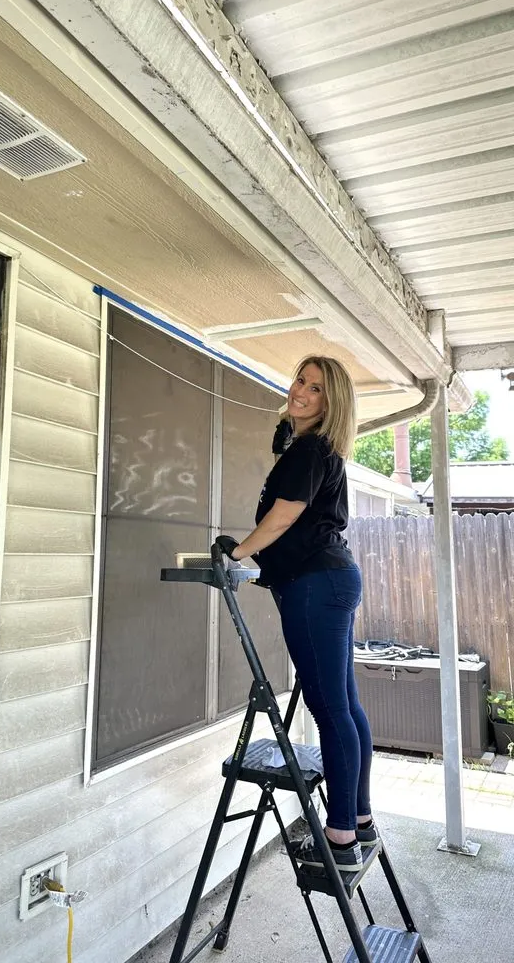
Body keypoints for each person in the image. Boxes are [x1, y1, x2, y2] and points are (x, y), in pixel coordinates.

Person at [216, 355, 375, 873]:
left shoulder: (311, 449)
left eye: (316, 388)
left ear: (332, 403)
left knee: (330, 710)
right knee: (345, 707)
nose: (300, 392)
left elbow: (285, 516)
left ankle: (341, 839)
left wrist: (238, 553)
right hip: (331, 579)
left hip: (314, 586)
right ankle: (359, 820)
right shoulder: (315, 450)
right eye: (300, 381)